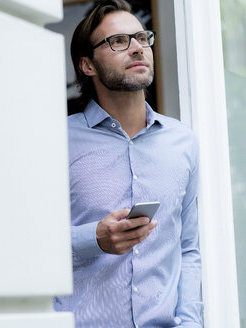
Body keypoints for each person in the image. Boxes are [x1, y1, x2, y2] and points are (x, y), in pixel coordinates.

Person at [53, 1, 203, 327]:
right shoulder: (54, 141)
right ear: (87, 65)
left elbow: (189, 249)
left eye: (141, 38)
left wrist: (191, 322)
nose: (137, 48)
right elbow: (26, 247)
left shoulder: (183, 142)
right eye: (119, 41)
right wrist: (93, 239)